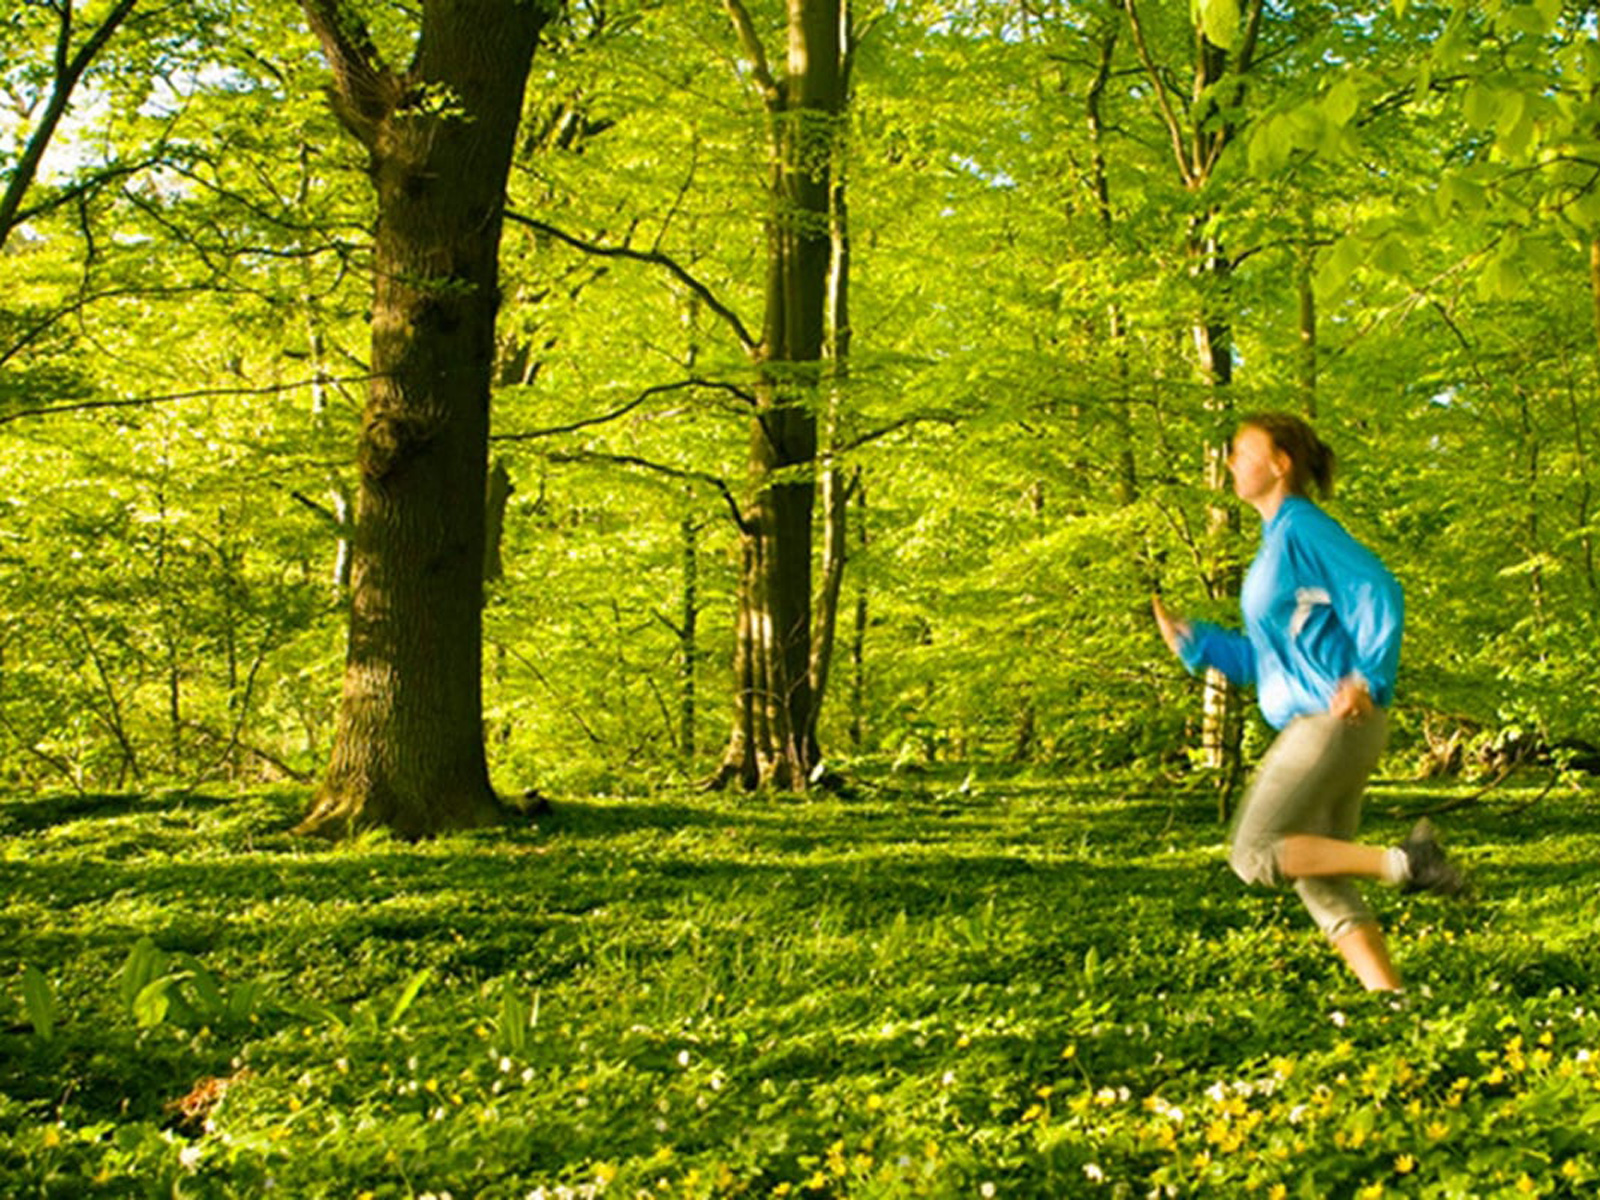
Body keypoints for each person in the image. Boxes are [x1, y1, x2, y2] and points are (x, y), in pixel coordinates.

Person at [1151, 412, 1462, 992]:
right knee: (1320, 873)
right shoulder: (1277, 544)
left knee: (1255, 854)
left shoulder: (1300, 529)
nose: (1230, 462)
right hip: (1333, 721)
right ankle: (1391, 1000)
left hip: (1333, 721)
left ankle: (1408, 863)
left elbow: (1377, 589)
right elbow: (1270, 663)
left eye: (1242, 451)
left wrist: (1367, 677)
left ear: (1280, 462)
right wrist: (1200, 646)